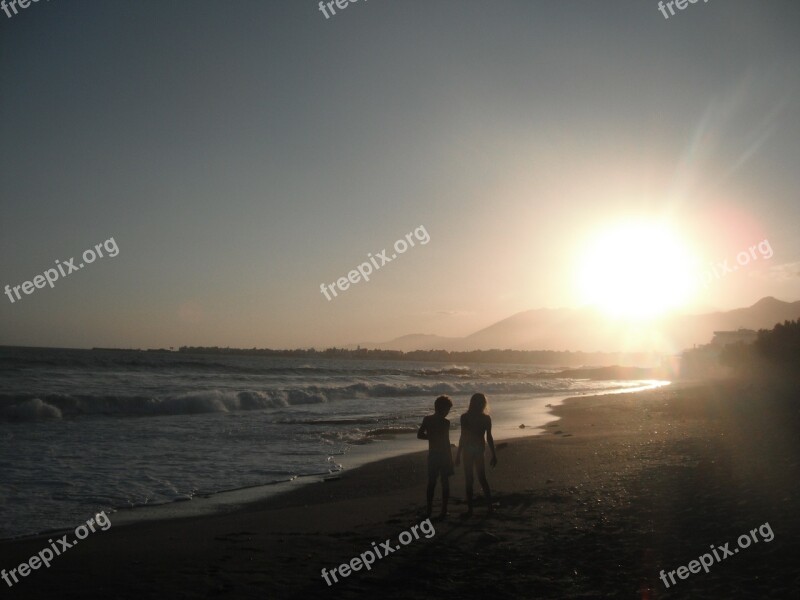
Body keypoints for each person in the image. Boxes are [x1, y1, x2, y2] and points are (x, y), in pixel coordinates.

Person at [455, 393, 497, 517]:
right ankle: (489, 507)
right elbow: (488, 437)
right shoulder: (485, 418)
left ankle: (471, 509)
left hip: (469, 450)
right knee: (481, 478)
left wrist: (458, 454)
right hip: (478, 449)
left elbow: (463, 437)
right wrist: (494, 454)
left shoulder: (465, 417)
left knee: (470, 479)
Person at [417, 395, 454, 520]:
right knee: (445, 482)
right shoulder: (445, 422)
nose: (448, 412)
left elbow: (420, 435)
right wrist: (450, 458)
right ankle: (444, 510)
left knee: (431, 482)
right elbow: (445, 441)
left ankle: (429, 509)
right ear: (443, 408)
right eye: (448, 409)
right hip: (443, 455)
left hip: (432, 455)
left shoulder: (427, 419)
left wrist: (430, 437)